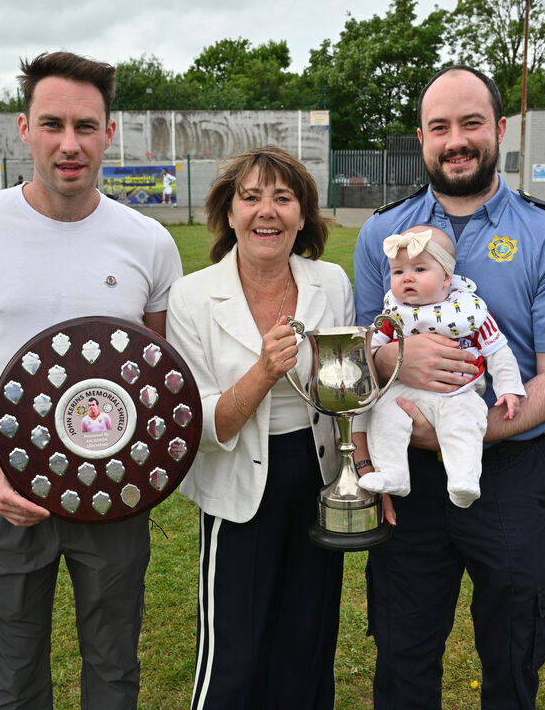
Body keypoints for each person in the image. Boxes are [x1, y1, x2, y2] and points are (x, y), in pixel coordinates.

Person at [0, 51, 183, 709]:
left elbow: (160, 375)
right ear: (24, 128)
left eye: (86, 126)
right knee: (12, 681)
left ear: (109, 134)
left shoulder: (148, 241)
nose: (71, 144)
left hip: (115, 497)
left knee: (115, 670)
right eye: (54, 124)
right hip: (4, 496)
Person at [353, 64, 545, 709]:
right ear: (422, 137)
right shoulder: (382, 233)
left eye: (471, 123)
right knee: (403, 650)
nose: (455, 139)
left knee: (515, 647)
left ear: (501, 128)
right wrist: (392, 362)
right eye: (440, 127)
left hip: (508, 473)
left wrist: (461, 433)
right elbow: (359, 354)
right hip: (408, 479)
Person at [166, 145, 349, 709]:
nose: (266, 211)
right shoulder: (192, 297)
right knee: (235, 650)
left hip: (319, 477)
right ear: (228, 213)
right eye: (251, 198)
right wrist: (265, 371)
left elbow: (346, 389)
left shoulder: (331, 282)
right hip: (239, 480)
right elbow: (197, 421)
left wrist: (360, 467)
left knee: (308, 636)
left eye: (283, 198)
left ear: (302, 216)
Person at [361, 224, 524, 508]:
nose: (407, 278)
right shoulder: (394, 314)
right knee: (384, 415)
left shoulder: (469, 313)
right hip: (406, 392)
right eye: (398, 272)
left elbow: (499, 351)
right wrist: (377, 359)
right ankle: (393, 473)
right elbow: (371, 348)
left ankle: (464, 479)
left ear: (447, 278)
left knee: (465, 423)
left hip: (458, 392)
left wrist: (509, 388)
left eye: (419, 270)